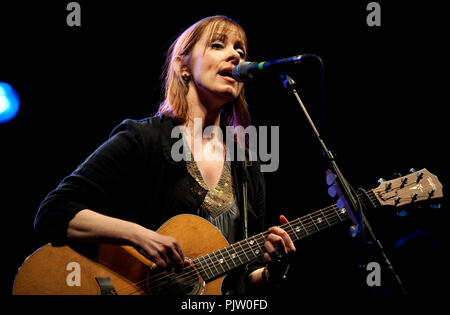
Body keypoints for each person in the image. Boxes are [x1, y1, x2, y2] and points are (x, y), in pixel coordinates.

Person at [34, 15, 296, 295]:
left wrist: (271, 274)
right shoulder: (144, 139)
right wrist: (139, 236)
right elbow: (54, 211)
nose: (235, 55)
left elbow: (238, 281)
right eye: (218, 45)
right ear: (183, 66)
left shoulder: (247, 164)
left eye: (240, 51)